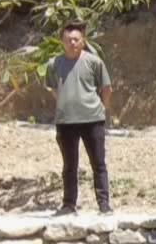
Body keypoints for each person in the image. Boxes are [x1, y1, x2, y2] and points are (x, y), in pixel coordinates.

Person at [45, 21, 113, 216]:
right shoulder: (54, 64)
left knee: (98, 164)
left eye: (76, 39)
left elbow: (107, 88)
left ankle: (104, 204)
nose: (72, 43)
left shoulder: (94, 62)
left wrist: (102, 107)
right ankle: (68, 205)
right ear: (62, 42)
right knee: (69, 166)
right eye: (68, 40)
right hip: (66, 122)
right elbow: (51, 87)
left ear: (83, 41)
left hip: (92, 119)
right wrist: (64, 103)